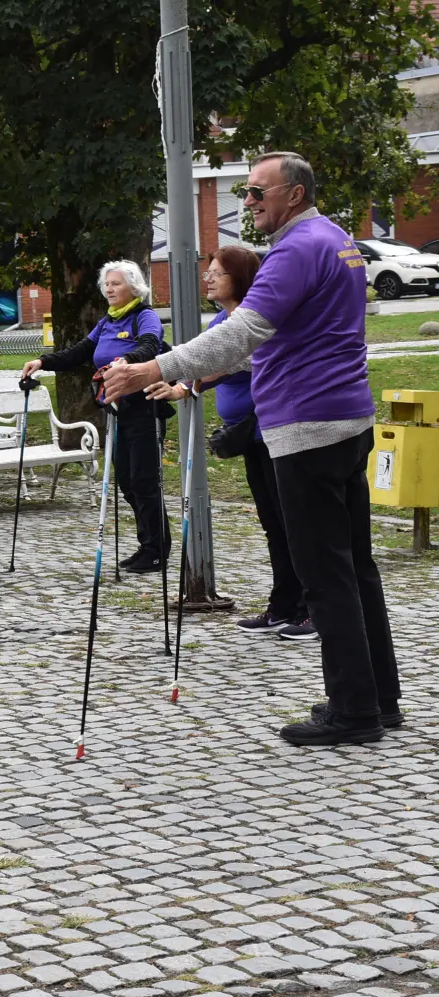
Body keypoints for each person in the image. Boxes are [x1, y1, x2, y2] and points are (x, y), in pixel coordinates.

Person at [102, 151, 401, 747]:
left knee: (325, 573)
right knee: (356, 565)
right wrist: (191, 377)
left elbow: (243, 331)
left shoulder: (296, 248)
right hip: (345, 417)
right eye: (245, 192)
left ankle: (353, 712)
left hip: (308, 424)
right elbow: (275, 337)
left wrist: (151, 367)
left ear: (294, 193)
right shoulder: (337, 239)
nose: (249, 202)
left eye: (258, 191)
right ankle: (378, 697)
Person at [146, 246, 313, 641]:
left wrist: (182, 379)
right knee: (273, 524)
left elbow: (241, 361)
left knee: (295, 524)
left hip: (276, 432)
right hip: (250, 438)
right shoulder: (223, 319)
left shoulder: (255, 318)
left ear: (238, 278)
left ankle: (311, 609)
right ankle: (283, 604)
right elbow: (204, 361)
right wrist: (178, 385)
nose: (209, 278)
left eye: (218, 273)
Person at [22, 260, 170, 573]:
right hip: (117, 411)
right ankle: (147, 545)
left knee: (145, 481)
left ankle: (157, 551)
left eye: (116, 283)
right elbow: (79, 352)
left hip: (145, 408)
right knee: (127, 482)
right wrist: (43, 362)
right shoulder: (107, 323)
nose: (109, 289)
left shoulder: (145, 316)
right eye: (107, 284)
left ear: (134, 287)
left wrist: (126, 360)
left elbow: (150, 345)